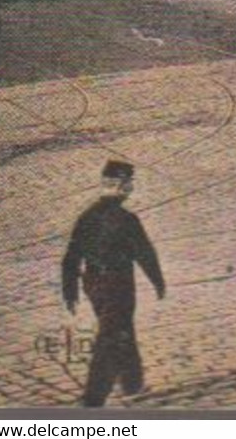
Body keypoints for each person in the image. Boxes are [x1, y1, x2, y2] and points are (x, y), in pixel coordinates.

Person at [61, 160, 166, 408]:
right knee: (111, 336)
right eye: (129, 183)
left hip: (93, 283)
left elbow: (72, 255)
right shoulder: (126, 219)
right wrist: (158, 280)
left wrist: (70, 290)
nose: (131, 187)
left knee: (121, 329)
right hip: (118, 283)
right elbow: (145, 253)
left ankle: (133, 384)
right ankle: (92, 399)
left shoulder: (86, 216)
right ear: (121, 186)